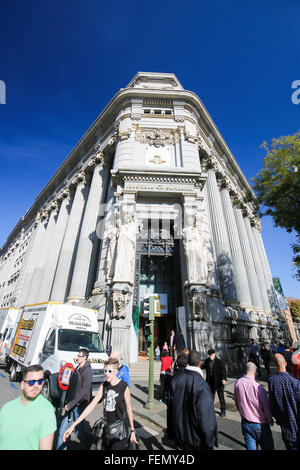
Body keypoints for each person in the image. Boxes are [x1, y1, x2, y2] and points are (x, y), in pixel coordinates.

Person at [63, 357, 138, 450]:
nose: (106, 373)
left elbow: (129, 409)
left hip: (119, 431)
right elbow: (91, 406)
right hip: (106, 430)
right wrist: (73, 426)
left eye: (109, 371)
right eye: (105, 370)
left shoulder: (124, 387)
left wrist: (133, 431)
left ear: (116, 372)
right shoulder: (104, 386)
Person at [168, 350, 218, 450]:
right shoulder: (202, 385)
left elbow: (170, 409)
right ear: (200, 363)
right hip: (195, 440)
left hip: (180, 436)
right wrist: (210, 441)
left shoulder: (175, 379)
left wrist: (171, 434)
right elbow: (206, 416)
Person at [0, 364, 56, 450]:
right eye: (31, 382)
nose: (36, 386)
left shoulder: (46, 410)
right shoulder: (7, 408)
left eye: (40, 381)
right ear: (22, 384)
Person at [56, 348, 93, 450]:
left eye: (79, 356)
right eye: (77, 356)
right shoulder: (77, 368)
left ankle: (90, 446)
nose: (77, 358)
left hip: (79, 406)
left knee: (79, 433)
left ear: (84, 357)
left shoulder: (88, 371)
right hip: (72, 405)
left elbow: (84, 391)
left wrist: (71, 404)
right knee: (62, 432)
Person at [234, 362, 274, 450]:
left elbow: (237, 402)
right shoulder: (258, 387)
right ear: (255, 372)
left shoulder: (238, 383)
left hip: (245, 422)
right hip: (260, 424)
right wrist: (269, 420)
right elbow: (266, 409)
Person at [268, 354, 300, 450]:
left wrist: (277, 418)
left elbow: (272, 405)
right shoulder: (296, 383)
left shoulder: (272, 381)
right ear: (286, 363)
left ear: (274, 365)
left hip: (286, 427)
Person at [201, 349, 227, 417]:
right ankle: (210, 410)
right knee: (211, 398)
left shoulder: (219, 362)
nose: (210, 356)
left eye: (211, 355)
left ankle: (223, 410)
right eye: (209, 355)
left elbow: (223, 371)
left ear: (214, 354)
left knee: (221, 398)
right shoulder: (207, 361)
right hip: (210, 383)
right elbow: (202, 367)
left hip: (218, 383)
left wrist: (223, 379)